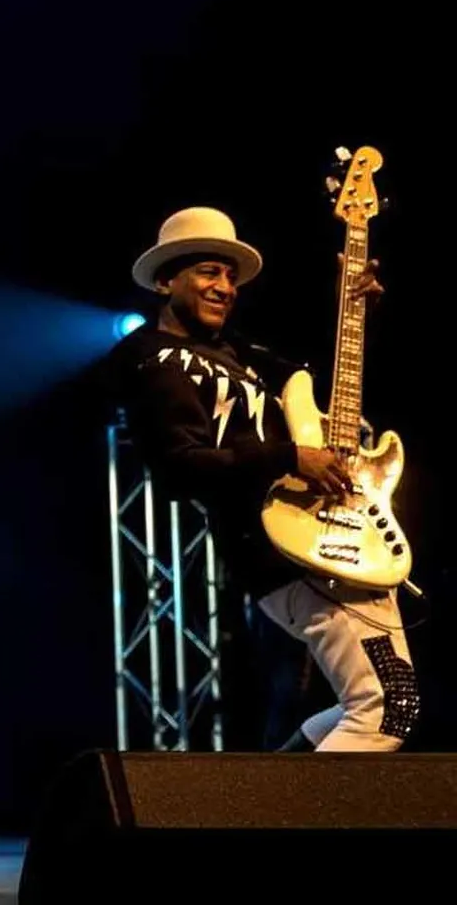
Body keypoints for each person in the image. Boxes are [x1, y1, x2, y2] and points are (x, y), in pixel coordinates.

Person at [113, 207, 417, 752]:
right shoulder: (153, 359)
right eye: (209, 271)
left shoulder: (250, 359)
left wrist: (359, 306)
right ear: (166, 281)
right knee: (385, 708)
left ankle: (276, 799)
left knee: (377, 702)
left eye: (230, 276)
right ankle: (293, 829)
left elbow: (336, 396)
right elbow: (180, 467)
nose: (224, 286)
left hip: (338, 534)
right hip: (282, 547)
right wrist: (287, 459)